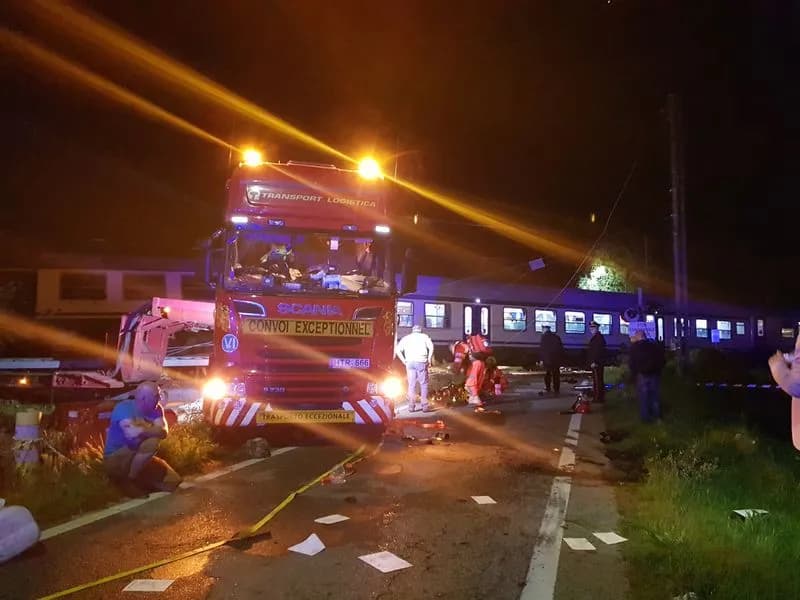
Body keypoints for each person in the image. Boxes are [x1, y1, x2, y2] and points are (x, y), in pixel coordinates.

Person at [103, 382, 181, 496]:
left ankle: (139, 481)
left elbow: (163, 432)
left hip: (137, 453)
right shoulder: (124, 408)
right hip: (117, 457)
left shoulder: (156, 409)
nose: (159, 399)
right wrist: (151, 431)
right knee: (152, 441)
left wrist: (141, 431)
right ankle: (129, 480)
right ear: (144, 398)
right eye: (156, 396)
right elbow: (132, 439)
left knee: (174, 481)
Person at [395, 324, 436, 412]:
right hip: (421, 362)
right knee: (423, 384)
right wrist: (429, 358)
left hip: (410, 363)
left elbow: (397, 350)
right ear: (420, 330)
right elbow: (431, 347)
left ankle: (411, 406)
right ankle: (424, 406)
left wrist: (404, 361)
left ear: (413, 331)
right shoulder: (424, 337)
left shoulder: (406, 338)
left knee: (411, 385)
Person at [628, 330, 666, 422]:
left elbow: (632, 363)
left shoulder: (635, 347)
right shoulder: (654, 346)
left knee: (643, 397)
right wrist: (658, 371)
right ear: (645, 336)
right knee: (654, 396)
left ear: (638, 337)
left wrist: (634, 374)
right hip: (654, 374)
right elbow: (661, 360)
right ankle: (656, 416)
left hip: (642, 375)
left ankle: (646, 418)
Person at [540, 326, 564, 395]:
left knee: (548, 374)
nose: (542, 331)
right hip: (556, 360)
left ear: (545, 329)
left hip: (548, 360)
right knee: (556, 375)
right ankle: (556, 389)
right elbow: (561, 349)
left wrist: (541, 359)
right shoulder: (556, 337)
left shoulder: (544, 337)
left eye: (542, 329)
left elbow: (542, 350)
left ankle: (548, 388)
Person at [587, 320, 607, 403]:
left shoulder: (598, 338)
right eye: (591, 328)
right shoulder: (597, 337)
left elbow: (598, 351)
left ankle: (598, 398)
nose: (591, 329)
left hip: (597, 363)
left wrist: (594, 361)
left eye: (593, 327)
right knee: (597, 380)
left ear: (597, 328)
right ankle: (598, 397)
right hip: (597, 362)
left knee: (598, 381)